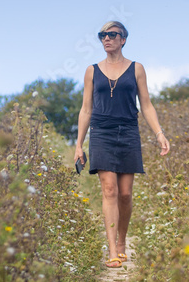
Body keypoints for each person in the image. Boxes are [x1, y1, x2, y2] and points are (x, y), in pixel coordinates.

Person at [73, 21, 170, 268]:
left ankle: (123, 241)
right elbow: (86, 109)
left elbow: (146, 105)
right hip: (101, 132)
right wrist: (78, 145)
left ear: (123, 39)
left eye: (112, 35)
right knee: (109, 190)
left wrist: (159, 133)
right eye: (102, 35)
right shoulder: (91, 71)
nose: (106, 39)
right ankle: (112, 250)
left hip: (128, 131)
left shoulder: (137, 69)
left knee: (125, 194)